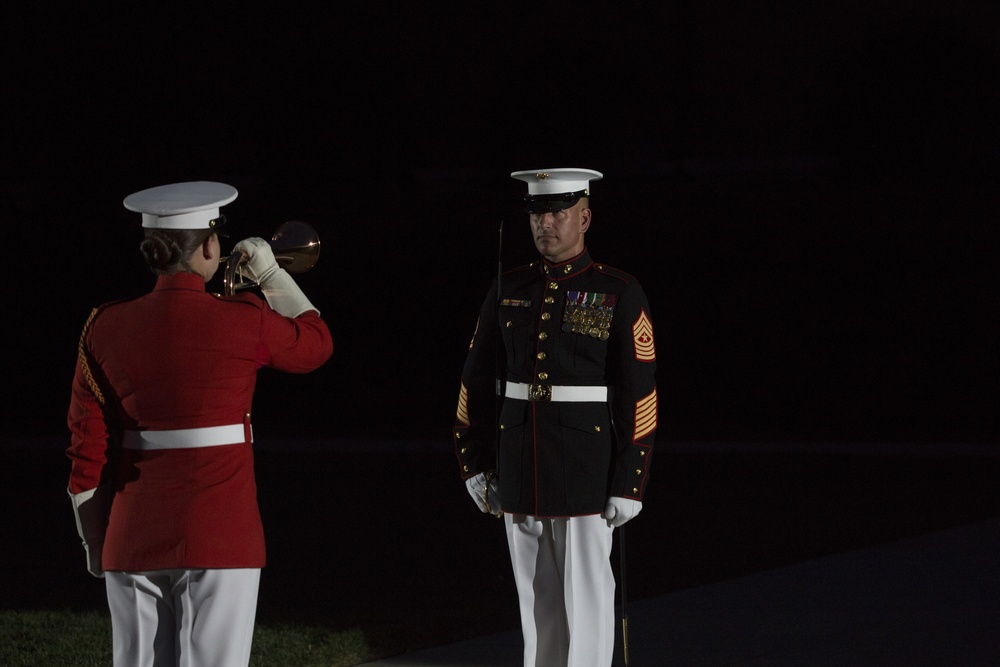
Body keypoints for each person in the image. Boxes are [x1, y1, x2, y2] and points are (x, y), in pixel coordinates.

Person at [66, 181, 333, 667]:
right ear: (210, 245)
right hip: (221, 531)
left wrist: (94, 540)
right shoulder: (244, 317)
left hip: (130, 536)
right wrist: (271, 274)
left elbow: (87, 448)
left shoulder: (103, 325)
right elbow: (316, 343)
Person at [453, 168, 658, 666]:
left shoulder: (617, 291)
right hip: (520, 465)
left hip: (587, 471)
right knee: (536, 604)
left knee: (586, 604)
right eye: (538, 213)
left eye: (558, 212)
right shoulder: (508, 287)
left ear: (584, 217)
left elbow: (640, 395)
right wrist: (473, 461)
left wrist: (630, 481)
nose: (546, 223)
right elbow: (474, 382)